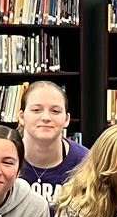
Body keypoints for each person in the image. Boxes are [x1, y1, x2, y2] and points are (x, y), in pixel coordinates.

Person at [14, 79, 87, 207]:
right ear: (21, 117)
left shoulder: (85, 163)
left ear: (66, 119)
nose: (46, 118)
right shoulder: (4, 158)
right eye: (36, 110)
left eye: (55, 111)